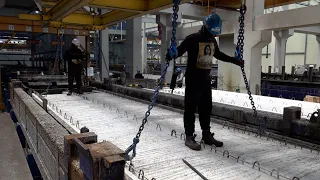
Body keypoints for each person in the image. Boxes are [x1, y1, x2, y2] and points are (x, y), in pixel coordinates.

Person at [166, 13, 244, 151]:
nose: (213, 36)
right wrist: (170, 54)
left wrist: (235, 61)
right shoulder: (192, 39)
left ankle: (206, 135)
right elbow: (178, 51)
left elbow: (218, 55)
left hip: (205, 80)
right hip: (192, 80)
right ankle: (189, 137)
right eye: (212, 33)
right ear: (206, 28)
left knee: (206, 108)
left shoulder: (212, 41)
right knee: (190, 109)